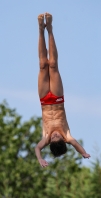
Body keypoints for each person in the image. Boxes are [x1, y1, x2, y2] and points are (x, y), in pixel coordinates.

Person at [35, 13, 90, 168]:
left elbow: (37, 147)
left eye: (54, 138)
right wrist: (83, 153)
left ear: (50, 142)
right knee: (52, 65)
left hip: (45, 99)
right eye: (58, 137)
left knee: (42, 65)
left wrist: (40, 159)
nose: (56, 135)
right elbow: (75, 144)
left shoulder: (45, 139)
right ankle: (50, 30)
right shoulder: (67, 136)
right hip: (58, 99)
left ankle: (40, 30)